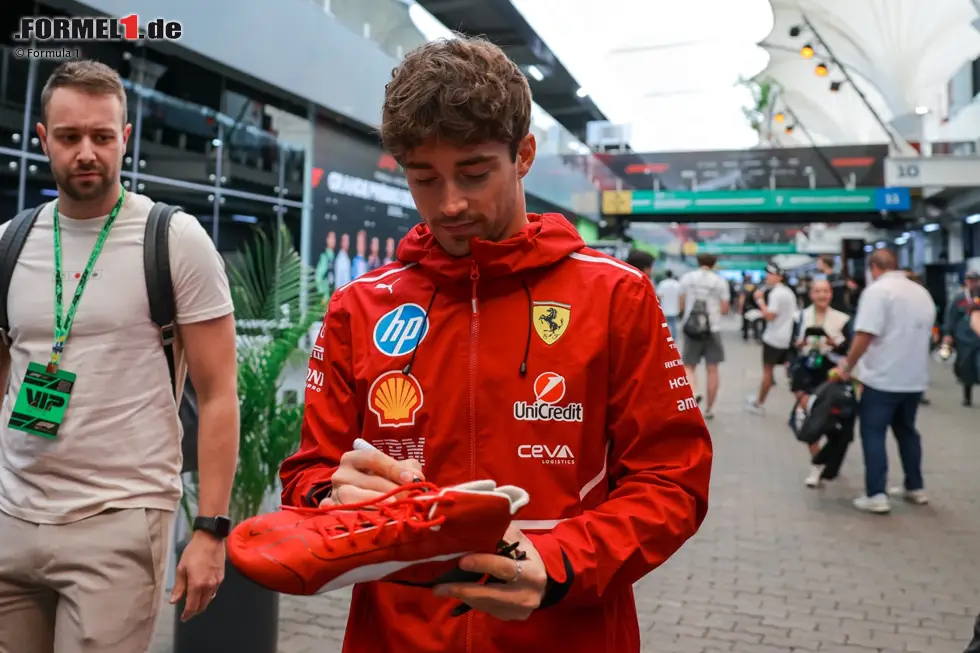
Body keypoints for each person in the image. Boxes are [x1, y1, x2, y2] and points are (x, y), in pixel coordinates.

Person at [277, 36, 712, 653]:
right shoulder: (360, 305)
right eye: (423, 178)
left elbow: (672, 482)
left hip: (568, 630)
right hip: (397, 636)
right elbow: (310, 474)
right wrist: (333, 496)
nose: (449, 203)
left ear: (524, 154)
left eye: (474, 173)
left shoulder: (617, 295)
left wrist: (558, 563)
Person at [0, 60, 239, 650]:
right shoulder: (10, 241)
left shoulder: (173, 240)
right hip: (12, 517)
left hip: (121, 519)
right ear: (42, 140)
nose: (87, 152)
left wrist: (210, 529)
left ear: (125, 139)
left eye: (102, 137)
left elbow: (218, 394)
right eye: (69, 136)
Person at [835, 249, 935, 514]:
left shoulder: (878, 292)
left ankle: (876, 493)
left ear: (873, 268)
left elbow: (865, 334)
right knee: (907, 431)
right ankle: (916, 487)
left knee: (873, 432)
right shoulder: (920, 292)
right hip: (914, 379)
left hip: (882, 379)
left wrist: (848, 365)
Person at [788, 280, 852, 487]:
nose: (821, 295)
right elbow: (791, 347)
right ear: (811, 294)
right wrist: (799, 345)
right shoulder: (799, 317)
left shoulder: (842, 319)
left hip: (831, 373)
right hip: (806, 373)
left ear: (831, 294)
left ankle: (828, 458)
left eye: (825, 291)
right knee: (810, 421)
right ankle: (816, 466)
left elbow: (850, 350)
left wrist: (835, 343)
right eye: (817, 291)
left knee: (831, 421)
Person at [678, 253, 730, 419]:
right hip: (712, 329)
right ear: (714, 264)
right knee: (712, 369)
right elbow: (725, 309)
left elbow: (681, 302)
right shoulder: (720, 281)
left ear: (698, 262)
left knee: (689, 366)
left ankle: (693, 391)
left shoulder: (687, 278)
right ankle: (709, 409)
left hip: (691, 328)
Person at [746, 263, 797, 414]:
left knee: (767, 371)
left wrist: (760, 300)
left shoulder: (776, 294)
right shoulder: (787, 292)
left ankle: (759, 403)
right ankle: (802, 405)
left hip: (774, 338)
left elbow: (770, 316)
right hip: (787, 336)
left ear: (779, 276)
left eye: (770, 274)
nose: (767, 277)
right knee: (791, 372)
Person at [940, 269, 980, 406]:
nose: (974, 284)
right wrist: (948, 335)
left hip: (978, 338)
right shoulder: (959, 299)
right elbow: (951, 317)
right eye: (971, 281)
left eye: (976, 280)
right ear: (966, 282)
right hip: (964, 339)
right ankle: (967, 396)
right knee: (965, 367)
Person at [738, 273, 762, 341]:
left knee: (745, 321)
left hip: (746, 306)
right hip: (754, 306)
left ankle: (745, 335)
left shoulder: (743, 286)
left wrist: (740, 307)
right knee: (755, 321)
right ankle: (756, 335)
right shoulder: (755, 285)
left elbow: (742, 297)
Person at [657, 270, 682, 336]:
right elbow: (680, 297)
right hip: (675, 309)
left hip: (664, 308)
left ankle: (665, 340)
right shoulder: (677, 284)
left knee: (664, 326)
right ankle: (673, 341)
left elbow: (659, 296)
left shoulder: (662, 283)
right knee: (674, 326)